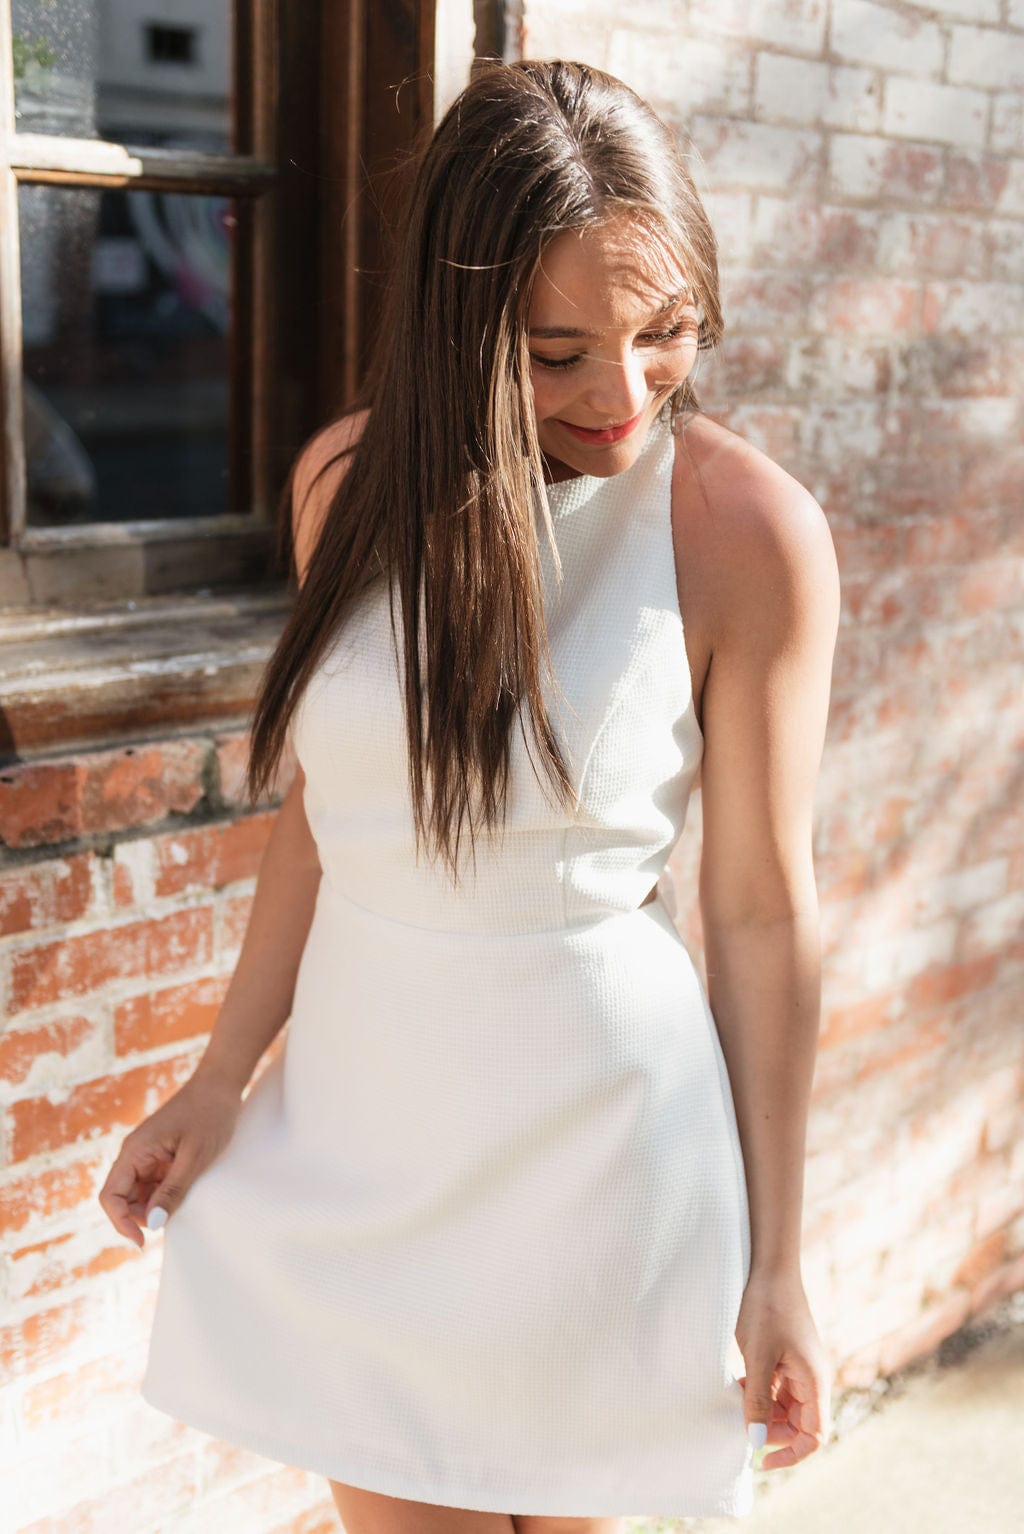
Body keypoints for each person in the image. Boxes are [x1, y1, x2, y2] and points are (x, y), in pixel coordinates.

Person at [99, 58, 838, 1534]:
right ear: (457, 317)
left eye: (664, 330)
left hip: (607, 1147)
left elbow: (761, 909)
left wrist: (777, 1261)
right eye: (556, 349)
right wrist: (220, 1072)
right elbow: (326, 815)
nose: (619, 393)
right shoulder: (342, 488)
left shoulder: (745, 527)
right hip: (368, 1123)